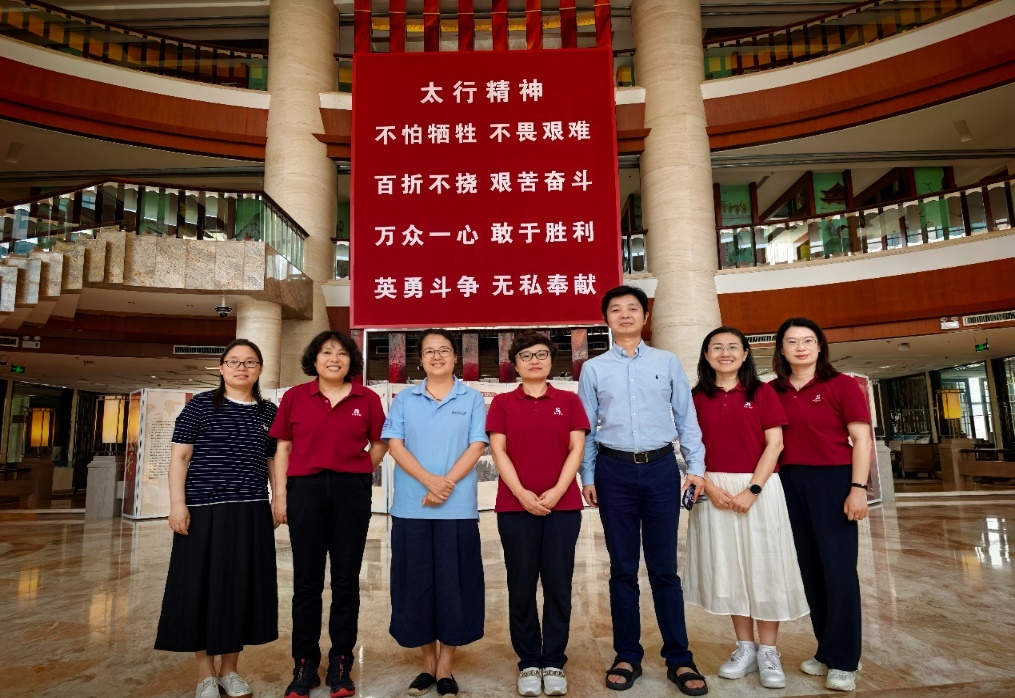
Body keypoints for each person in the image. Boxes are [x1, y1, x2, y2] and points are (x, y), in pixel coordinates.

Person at [578, 285, 709, 696]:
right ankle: (627, 655)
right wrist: (588, 476)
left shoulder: (666, 362)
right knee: (622, 568)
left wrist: (696, 469)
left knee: (664, 568)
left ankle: (679, 657)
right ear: (606, 319)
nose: (625, 315)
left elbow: (687, 419)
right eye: (616, 310)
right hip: (613, 471)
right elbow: (586, 428)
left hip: (661, 469)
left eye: (632, 308)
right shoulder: (593, 369)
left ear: (644, 316)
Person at [684, 327, 808, 690]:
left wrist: (752, 489)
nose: (725, 353)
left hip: (760, 487)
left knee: (764, 567)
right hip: (712, 488)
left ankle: (769, 651)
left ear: (744, 354)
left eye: (732, 347)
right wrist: (710, 487)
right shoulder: (695, 397)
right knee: (730, 569)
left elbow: (775, 444)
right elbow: (690, 448)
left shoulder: (763, 392)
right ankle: (745, 647)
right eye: (716, 347)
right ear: (706, 355)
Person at [155, 339, 279, 698]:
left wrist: (278, 498)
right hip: (203, 510)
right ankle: (205, 674)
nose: (242, 368)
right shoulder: (200, 406)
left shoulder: (268, 412)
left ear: (259, 369)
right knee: (200, 587)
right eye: (234, 361)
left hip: (251, 509)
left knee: (241, 587)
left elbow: (274, 461)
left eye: (250, 362)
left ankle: (230, 670)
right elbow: (180, 458)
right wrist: (177, 504)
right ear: (222, 367)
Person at [269, 331, 387, 698]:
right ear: (314, 359)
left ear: (352, 360)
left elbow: (380, 442)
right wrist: (280, 496)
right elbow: (283, 447)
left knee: (346, 579)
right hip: (305, 490)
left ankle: (341, 662)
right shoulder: (295, 397)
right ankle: (304, 664)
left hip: (351, 492)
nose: (334, 359)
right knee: (306, 581)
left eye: (342, 353)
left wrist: (359, 470)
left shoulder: (367, 398)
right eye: (326, 352)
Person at [381, 329, 488, 698]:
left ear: (455, 357)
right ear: (420, 359)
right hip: (411, 507)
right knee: (416, 586)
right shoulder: (404, 399)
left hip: (457, 508)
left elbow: (477, 445)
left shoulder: (471, 398)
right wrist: (429, 481)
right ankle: (427, 663)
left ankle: (446, 666)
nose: (437, 356)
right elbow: (395, 444)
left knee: (455, 586)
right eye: (429, 351)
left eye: (444, 350)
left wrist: (446, 485)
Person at [771, 317, 871, 693]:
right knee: (811, 572)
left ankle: (844, 660)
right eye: (792, 341)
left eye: (808, 340)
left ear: (819, 346)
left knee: (839, 571)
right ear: (781, 349)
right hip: (789, 484)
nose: (801, 347)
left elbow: (861, 439)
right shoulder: (773, 390)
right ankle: (828, 649)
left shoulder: (841, 385)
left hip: (833, 482)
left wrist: (857, 488)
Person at [487, 331, 589, 697]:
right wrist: (522, 494)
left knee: (559, 586)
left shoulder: (569, 400)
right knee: (521, 586)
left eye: (542, 354)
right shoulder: (502, 403)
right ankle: (529, 660)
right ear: (514, 364)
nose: (535, 360)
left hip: (564, 508)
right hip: (515, 508)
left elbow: (577, 448)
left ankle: (554, 661)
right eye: (526, 355)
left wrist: (558, 491)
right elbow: (498, 451)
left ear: (551, 361)